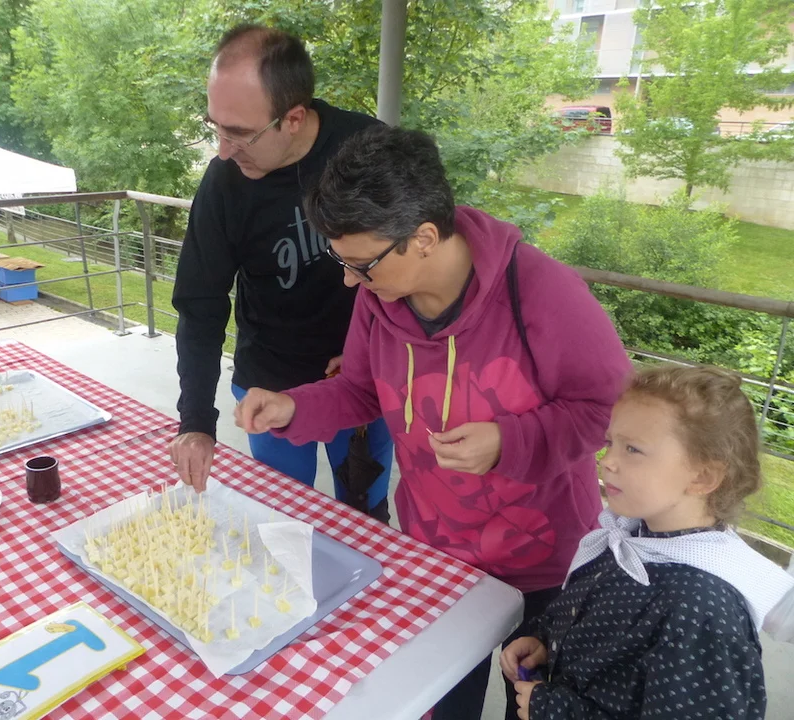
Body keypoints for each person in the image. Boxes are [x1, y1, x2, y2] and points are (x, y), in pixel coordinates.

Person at [233, 125, 632, 719]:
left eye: (361, 264)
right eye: (341, 261)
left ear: (422, 237)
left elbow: (609, 410)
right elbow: (361, 390)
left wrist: (509, 441)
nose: (349, 280)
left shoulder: (543, 292)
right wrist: (295, 407)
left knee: (534, 703)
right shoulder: (379, 299)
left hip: (544, 563)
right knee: (443, 704)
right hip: (436, 555)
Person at [170, 25, 394, 520]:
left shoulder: (368, 151)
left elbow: (413, 268)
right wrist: (196, 421)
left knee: (364, 514)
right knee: (282, 522)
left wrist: (372, 349)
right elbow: (200, 305)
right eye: (215, 127)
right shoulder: (224, 183)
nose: (224, 150)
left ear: (293, 118)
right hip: (268, 387)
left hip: (362, 382)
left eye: (239, 133)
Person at [501, 365, 794, 720]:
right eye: (611, 443)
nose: (607, 461)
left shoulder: (700, 610)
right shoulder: (631, 536)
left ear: (702, 477)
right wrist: (546, 641)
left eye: (633, 449)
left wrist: (555, 710)